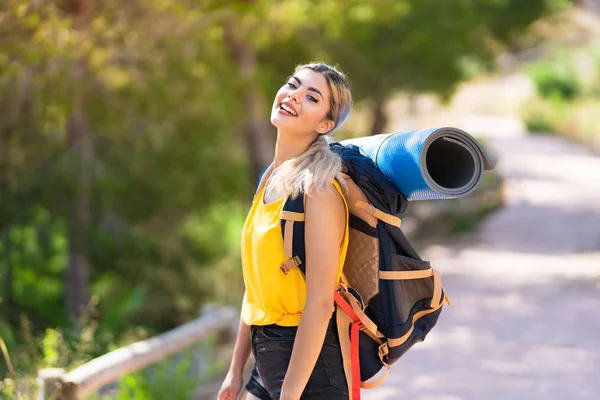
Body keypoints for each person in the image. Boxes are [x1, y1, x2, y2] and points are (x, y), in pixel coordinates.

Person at [218, 62, 353, 400]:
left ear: (325, 124)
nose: (294, 96)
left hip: (311, 367)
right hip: (267, 356)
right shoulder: (270, 178)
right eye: (293, 85)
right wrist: (236, 370)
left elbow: (321, 304)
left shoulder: (318, 189)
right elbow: (257, 286)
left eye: (311, 97)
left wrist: (290, 395)